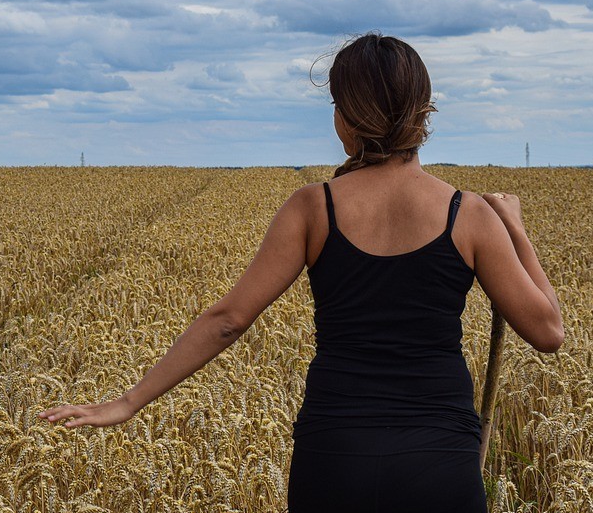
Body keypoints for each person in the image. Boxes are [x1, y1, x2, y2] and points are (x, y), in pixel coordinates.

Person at [38, 33, 564, 512]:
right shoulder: (467, 213)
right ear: (422, 112)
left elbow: (228, 319)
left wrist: (127, 403)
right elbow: (547, 332)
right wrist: (514, 229)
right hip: (440, 460)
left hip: (335, 458)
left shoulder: (313, 209)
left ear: (346, 118)